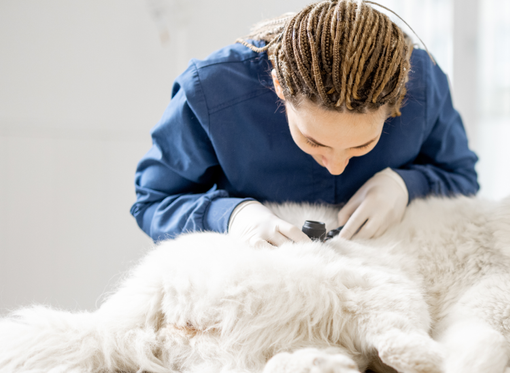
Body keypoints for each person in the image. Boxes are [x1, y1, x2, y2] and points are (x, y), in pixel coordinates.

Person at [131, 0, 478, 247]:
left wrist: (406, 186)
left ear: (399, 100)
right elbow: (154, 201)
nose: (338, 167)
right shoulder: (212, 91)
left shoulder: (424, 83)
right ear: (279, 87)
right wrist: (231, 216)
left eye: (362, 146)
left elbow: (462, 180)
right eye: (314, 142)